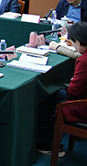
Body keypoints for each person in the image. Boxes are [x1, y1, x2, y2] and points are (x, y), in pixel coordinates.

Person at [37, 22, 87, 156]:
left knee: (53, 97)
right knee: (55, 94)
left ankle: (47, 141)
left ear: (79, 42)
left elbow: (73, 93)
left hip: (83, 106)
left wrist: (72, 84)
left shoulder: (84, 61)